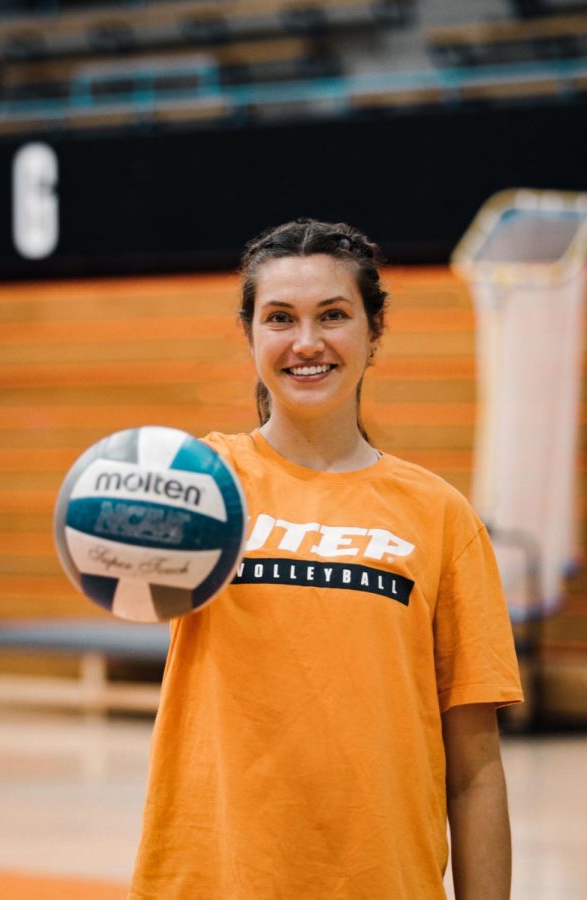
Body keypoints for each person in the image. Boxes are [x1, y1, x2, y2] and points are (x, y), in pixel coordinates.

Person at [129, 219, 524, 899]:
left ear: (373, 334)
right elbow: (122, 573)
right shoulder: (200, 483)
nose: (306, 343)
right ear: (251, 335)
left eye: (333, 315)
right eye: (279, 318)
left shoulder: (441, 517)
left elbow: (476, 771)